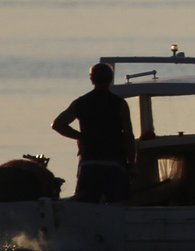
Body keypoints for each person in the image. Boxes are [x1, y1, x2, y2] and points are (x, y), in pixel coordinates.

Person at [52, 62, 135, 204]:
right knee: (120, 208)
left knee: (85, 208)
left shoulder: (81, 103)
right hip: (114, 163)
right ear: (110, 79)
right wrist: (132, 164)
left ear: (92, 80)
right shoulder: (120, 104)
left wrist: (80, 136)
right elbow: (128, 136)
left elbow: (58, 124)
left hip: (89, 164)